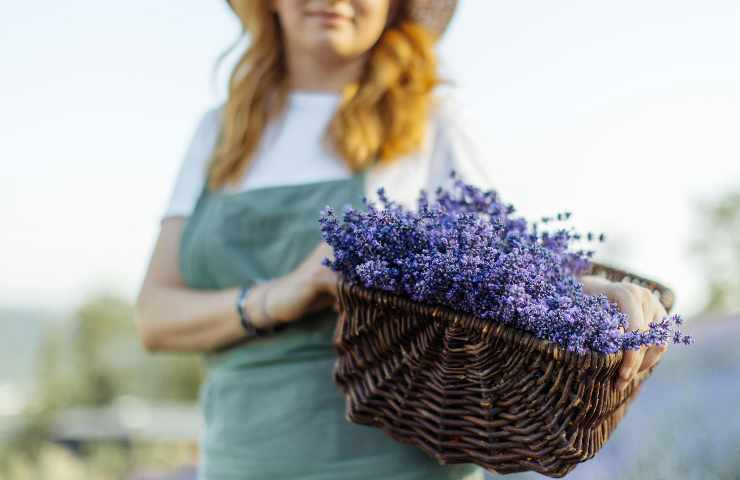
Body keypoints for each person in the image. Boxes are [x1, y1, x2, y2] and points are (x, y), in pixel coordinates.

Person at [134, 0, 669, 478]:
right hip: (240, 463)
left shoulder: (430, 123)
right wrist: (284, 293)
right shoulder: (220, 133)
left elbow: (503, 270)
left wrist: (591, 297)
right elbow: (154, 316)